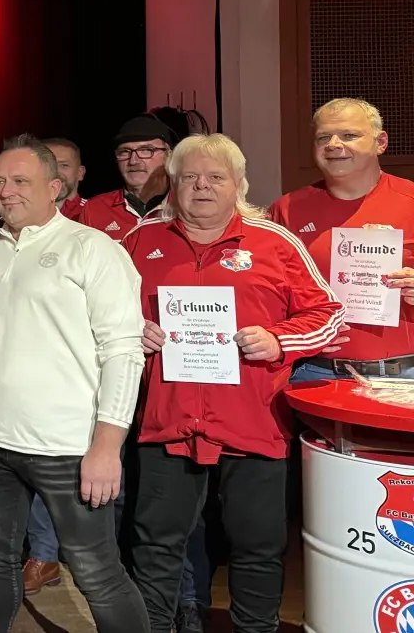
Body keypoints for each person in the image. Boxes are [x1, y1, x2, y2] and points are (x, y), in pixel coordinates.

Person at [126, 134, 343, 633]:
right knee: (156, 544)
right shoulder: (138, 243)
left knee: (258, 547)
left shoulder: (275, 242)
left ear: (239, 185)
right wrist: (130, 329)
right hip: (168, 421)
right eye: (190, 178)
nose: (202, 187)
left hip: (254, 422)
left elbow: (329, 313)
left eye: (216, 177)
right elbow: (93, 314)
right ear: (173, 185)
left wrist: (278, 339)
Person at [0, 135, 149, 633]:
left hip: (69, 447)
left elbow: (123, 351)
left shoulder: (92, 249)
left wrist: (107, 445)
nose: (6, 191)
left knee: (97, 571)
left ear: (55, 187)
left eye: (20, 181)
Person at [272, 98, 414, 382]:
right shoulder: (286, 210)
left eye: (349, 135)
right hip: (313, 372)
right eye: (323, 137)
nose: (334, 144)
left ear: (380, 142)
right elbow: (268, 295)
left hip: (405, 375)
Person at [78, 115, 175, 240]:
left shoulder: (184, 205)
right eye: (125, 151)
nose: (133, 161)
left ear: (169, 156)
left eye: (146, 150)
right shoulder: (96, 210)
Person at [44, 137, 88, 220]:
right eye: (48, 165)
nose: (56, 172)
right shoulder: (21, 213)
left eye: (64, 165)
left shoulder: (95, 212)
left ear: (80, 173)